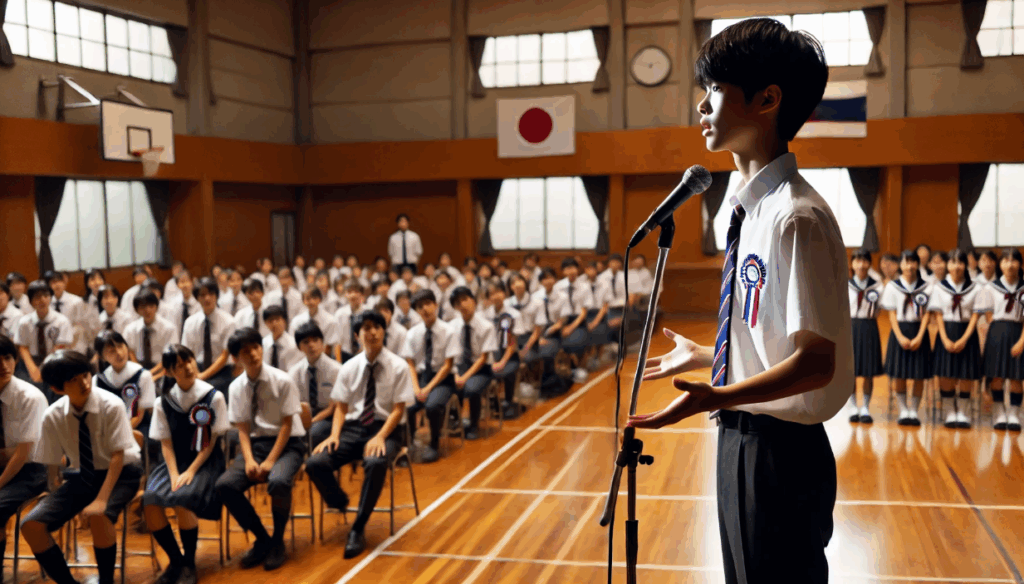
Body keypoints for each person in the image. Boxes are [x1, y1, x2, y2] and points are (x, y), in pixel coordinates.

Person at [628, 19, 851, 584]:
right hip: (739, 441)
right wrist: (710, 356)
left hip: (780, 454)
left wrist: (715, 395)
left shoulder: (796, 217)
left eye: (716, 91)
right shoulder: (750, 209)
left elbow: (817, 363)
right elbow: (771, 339)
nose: (702, 107)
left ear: (768, 99)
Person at [22, 350, 143, 584]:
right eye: (73, 381)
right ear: (58, 389)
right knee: (31, 525)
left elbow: (118, 456)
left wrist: (100, 500)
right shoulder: (53, 415)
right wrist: (55, 489)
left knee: (100, 516)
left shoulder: (112, 404)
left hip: (121, 475)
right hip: (83, 477)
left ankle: (106, 580)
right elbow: (52, 460)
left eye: (85, 375)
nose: (84, 383)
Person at [306, 311, 414, 559]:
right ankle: (339, 501)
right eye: (366, 328)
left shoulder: (398, 366)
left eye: (377, 327)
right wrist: (334, 435)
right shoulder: (349, 367)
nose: (373, 332)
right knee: (315, 462)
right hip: (354, 429)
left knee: (376, 461)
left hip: (386, 428)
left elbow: (399, 410)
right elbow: (341, 406)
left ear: (384, 331)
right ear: (358, 335)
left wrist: (379, 438)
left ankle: (358, 527)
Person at [216, 327, 305, 571]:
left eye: (256, 347)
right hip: (255, 446)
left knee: (278, 481)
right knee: (225, 486)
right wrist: (249, 460)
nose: (254, 354)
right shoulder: (235, 387)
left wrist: (269, 461)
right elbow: (242, 429)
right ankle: (262, 538)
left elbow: (288, 426)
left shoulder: (283, 380)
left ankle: (278, 541)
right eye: (246, 351)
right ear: (236, 358)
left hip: (288, 445)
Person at [144, 344, 228, 584]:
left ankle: (189, 562)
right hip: (175, 461)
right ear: (170, 372)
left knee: (183, 496)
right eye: (179, 366)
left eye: (189, 360)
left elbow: (210, 442)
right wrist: (173, 474)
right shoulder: (164, 402)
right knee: (149, 500)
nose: (187, 367)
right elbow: (166, 443)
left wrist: (190, 471)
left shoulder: (214, 396)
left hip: (205, 461)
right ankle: (176, 561)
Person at [0, 335, 49, 583]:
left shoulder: (30, 397)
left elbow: (23, 453)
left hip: (30, 470)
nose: (3, 365)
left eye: (8, 358)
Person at [401, 290, 459, 464]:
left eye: (427, 304)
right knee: (406, 405)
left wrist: (427, 388)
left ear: (435, 305)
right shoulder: (412, 333)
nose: (424, 309)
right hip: (420, 378)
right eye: (419, 307)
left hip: (443, 380)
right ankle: (408, 445)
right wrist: (417, 387)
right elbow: (410, 363)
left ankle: (434, 444)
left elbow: (447, 365)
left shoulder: (448, 331)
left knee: (432, 405)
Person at [928, 248, 983, 429]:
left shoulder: (975, 287)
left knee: (966, 373)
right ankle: (950, 412)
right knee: (946, 372)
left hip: (967, 332)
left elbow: (975, 315)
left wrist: (964, 339)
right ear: (947, 265)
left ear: (965, 265)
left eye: (960, 262)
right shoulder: (939, 287)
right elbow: (937, 315)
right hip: (946, 332)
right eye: (952, 262)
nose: (956, 266)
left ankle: (964, 412)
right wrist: (944, 338)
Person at [881, 250, 933, 425]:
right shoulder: (892, 286)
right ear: (900, 265)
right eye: (906, 262)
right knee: (899, 374)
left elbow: (927, 314)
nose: (909, 266)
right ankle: (904, 410)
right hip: (899, 332)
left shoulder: (927, 286)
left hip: (920, 331)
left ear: (918, 264)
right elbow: (891, 315)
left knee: (919, 374)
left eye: (913, 262)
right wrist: (900, 337)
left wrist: (919, 336)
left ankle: (914, 411)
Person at [976, 248, 1024, 431]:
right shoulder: (990, 287)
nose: (1009, 264)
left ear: (1020, 264)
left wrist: (1021, 341)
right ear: (1000, 264)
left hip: (1018, 331)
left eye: (1014, 260)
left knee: (1016, 377)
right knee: (996, 375)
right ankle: (998, 412)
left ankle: (1013, 414)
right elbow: (988, 315)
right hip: (996, 331)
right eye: (1005, 260)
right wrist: (995, 333)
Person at [448, 286, 497, 440]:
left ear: (474, 302)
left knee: (471, 388)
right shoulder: (452, 326)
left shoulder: (486, 326)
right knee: (447, 383)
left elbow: (483, 358)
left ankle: (474, 425)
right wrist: (456, 374)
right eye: (458, 303)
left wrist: (464, 377)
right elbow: (450, 355)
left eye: (465, 300)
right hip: (460, 367)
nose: (462, 305)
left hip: (482, 369)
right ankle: (455, 419)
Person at [13, 280, 73, 401]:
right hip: (31, 361)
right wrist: (33, 369)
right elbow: (23, 347)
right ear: (30, 301)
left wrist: (42, 369)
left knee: (55, 393)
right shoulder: (24, 322)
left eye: (46, 296)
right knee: (27, 393)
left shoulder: (61, 321)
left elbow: (60, 346)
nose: (42, 300)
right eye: (37, 297)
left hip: (55, 360)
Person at [182, 277, 236, 399]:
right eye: (202, 295)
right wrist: (196, 373)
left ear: (216, 296)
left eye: (211, 294)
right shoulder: (190, 322)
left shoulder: (229, 322)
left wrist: (203, 376)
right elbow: (187, 353)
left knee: (213, 394)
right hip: (196, 368)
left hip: (221, 371)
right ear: (197, 298)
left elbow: (224, 355)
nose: (207, 298)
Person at [290, 322, 342, 447]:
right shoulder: (294, 372)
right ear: (299, 347)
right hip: (304, 414)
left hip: (330, 416)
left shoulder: (337, 370)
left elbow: (333, 408)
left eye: (315, 340)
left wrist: (311, 422)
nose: (311, 345)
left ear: (322, 342)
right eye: (306, 342)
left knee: (313, 433)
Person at [847, 249, 884, 424]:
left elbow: (879, 309)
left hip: (869, 327)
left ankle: (865, 408)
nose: (861, 265)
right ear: (852, 264)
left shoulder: (877, 286)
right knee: (851, 371)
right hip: (850, 327)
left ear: (869, 264)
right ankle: (853, 406)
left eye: (864, 261)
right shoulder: (844, 284)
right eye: (857, 261)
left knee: (868, 371)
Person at [482, 283, 524, 420]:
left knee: (507, 371)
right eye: (492, 294)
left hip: (509, 356)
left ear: (504, 294)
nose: (496, 296)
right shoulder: (484, 315)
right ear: (488, 298)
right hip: (491, 355)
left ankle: (509, 401)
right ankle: (492, 400)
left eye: (498, 292)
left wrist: (501, 362)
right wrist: (491, 361)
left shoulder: (512, 315)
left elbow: (511, 344)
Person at [124, 290, 179, 378]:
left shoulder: (169, 328)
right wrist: (140, 372)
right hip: (137, 370)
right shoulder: (130, 329)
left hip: (163, 370)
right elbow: (130, 352)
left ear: (156, 307)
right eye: (142, 307)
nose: (147, 310)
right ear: (136, 310)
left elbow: (170, 358)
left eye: (151, 306)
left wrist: (149, 375)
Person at [45, 271, 92, 355]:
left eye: (59, 281)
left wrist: (64, 343)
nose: (57, 285)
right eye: (53, 282)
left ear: (64, 283)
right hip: (53, 347)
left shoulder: (76, 301)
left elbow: (80, 327)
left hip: (75, 345)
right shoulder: (47, 303)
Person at [289, 287, 342, 359]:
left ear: (320, 299)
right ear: (303, 301)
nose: (311, 302)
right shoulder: (296, 321)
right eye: (307, 299)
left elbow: (329, 346)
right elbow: (293, 344)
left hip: (323, 359)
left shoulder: (330, 320)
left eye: (314, 298)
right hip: (301, 359)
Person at [160, 271, 201, 339]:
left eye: (187, 281)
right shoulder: (172, 304)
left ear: (192, 283)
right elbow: (171, 326)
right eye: (182, 282)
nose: (185, 285)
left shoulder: (198, 303)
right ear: (177, 285)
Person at [262, 306, 303, 372]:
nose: (274, 324)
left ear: (284, 321)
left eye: (277, 319)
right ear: (265, 323)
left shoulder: (294, 345)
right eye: (270, 320)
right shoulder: (263, 343)